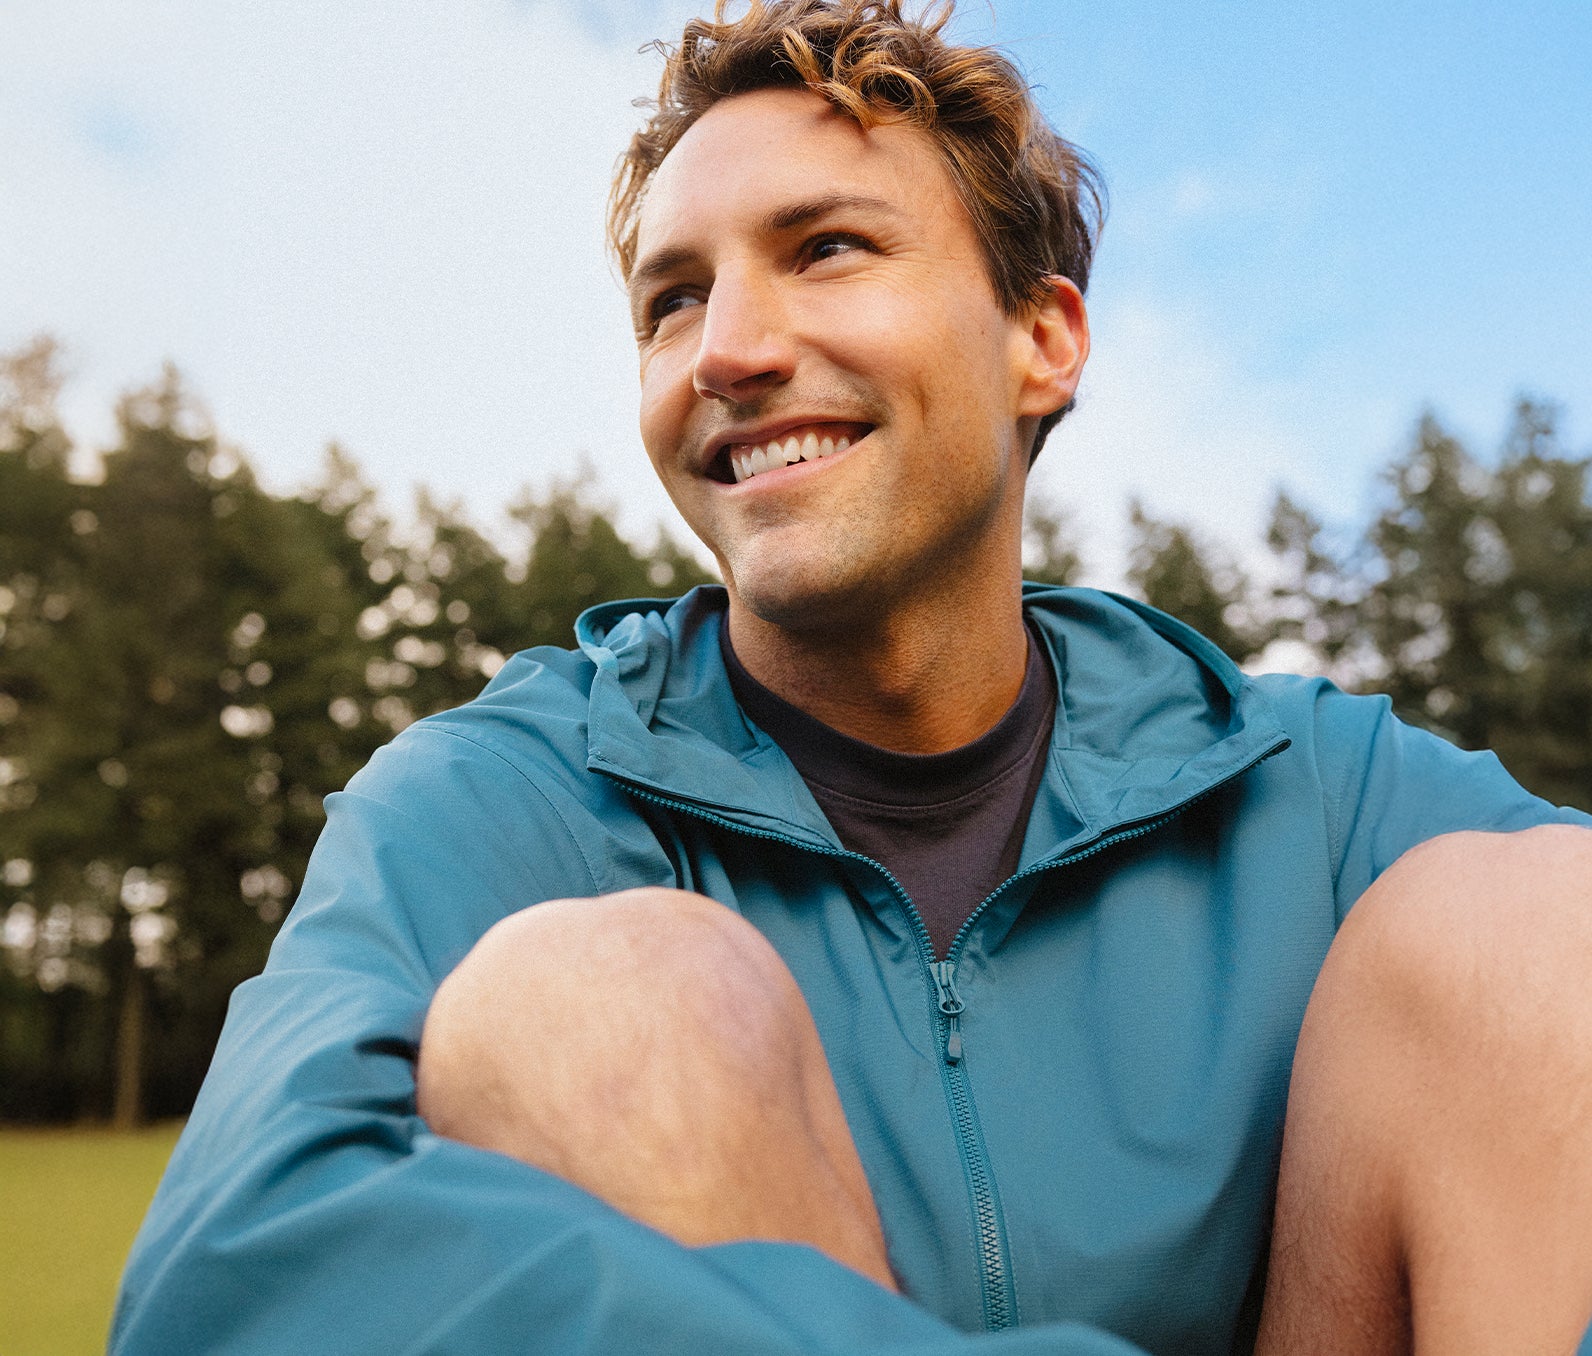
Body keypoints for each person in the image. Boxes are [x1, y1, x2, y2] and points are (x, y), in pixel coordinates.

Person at [113, 2, 1592, 1353]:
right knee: (608, 999)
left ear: (1044, 337)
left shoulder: (1309, 792)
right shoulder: (497, 800)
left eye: (826, 248)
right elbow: (228, 1281)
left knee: (1534, 925)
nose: (730, 352)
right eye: (672, 300)